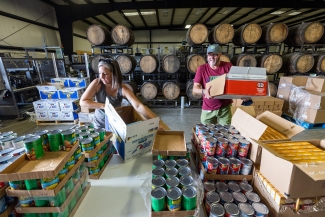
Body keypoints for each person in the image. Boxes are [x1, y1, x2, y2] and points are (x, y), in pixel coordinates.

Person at [80, 58, 163, 129]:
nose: (101, 77)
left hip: (115, 124)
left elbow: (138, 106)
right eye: (99, 73)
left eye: (105, 74)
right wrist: (104, 106)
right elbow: (83, 101)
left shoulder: (122, 89)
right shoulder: (97, 84)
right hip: (100, 124)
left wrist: (156, 123)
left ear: (114, 74)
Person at [192, 44, 233, 125]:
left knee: (225, 134)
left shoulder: (228, 66)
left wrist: (242, 95)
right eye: (209, 55)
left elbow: (235, 84)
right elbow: (195, 88)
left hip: (224, 108)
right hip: (208, 107)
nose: (211, 57)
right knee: (206, 133)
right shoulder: (202, 69)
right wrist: (204, 91)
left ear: (220, 55)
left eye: (215, 55)